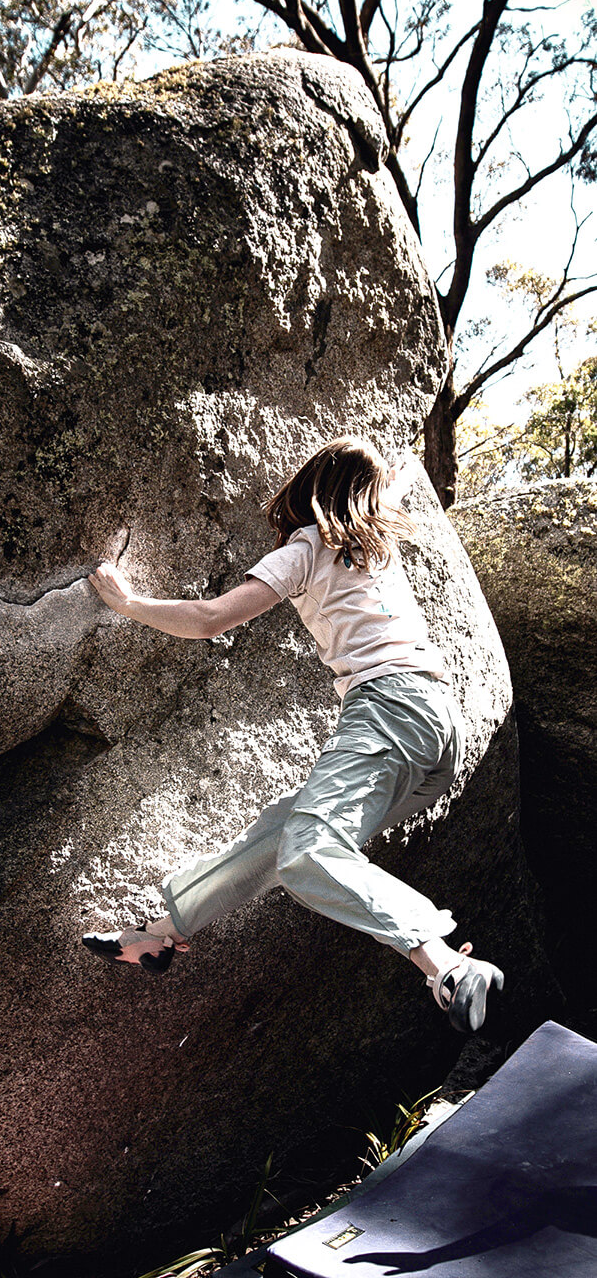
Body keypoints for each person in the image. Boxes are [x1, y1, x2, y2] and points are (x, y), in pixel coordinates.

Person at [81, 437, 503, 1034]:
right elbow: (397, 481)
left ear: (308, 488)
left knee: (309, 850)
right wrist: (398, 464)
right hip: (437, 737)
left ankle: (443, 964)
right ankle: (161, 934)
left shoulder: (308, 546)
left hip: (387, 709)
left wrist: (128, 603)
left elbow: (211, 619)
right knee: (284, 836)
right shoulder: (378, 541)